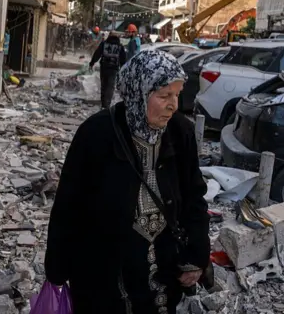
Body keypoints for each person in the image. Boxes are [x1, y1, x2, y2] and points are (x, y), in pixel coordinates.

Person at [45, 50, 210, 314]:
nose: (173, 105)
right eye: (164, 96)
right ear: (138, 93)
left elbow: (194, 196)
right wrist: (57, 269)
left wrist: (197, 256)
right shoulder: (97, 133)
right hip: (103, 271)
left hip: (162, 269)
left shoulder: (180, 132)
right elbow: (69, 204)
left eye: (177, 95)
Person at [90, 31, 127, 109]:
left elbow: (97, 53)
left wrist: (92, 62)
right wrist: (123, 70)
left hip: (104, 67)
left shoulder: (104, 44)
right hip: (114, 69)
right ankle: (107, 105)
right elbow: (123, 59)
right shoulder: (120, 46)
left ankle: (103, 104)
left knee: (103, 85)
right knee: (110, 86)